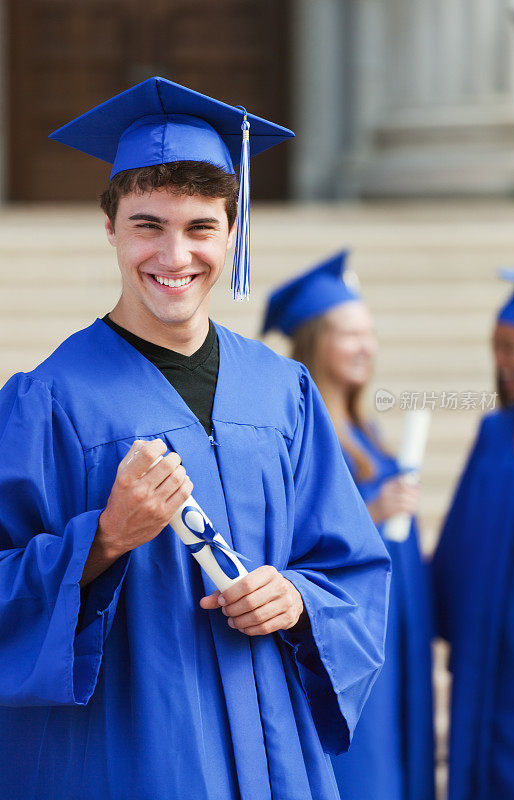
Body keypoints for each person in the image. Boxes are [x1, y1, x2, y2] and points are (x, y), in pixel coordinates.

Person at [0, 78, 391, 800]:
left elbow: (352, 567)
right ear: (111, 228)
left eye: (200, 228)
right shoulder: (46, 402)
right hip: (126, 755)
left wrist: (298, 598)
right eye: (147, 224)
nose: (174, 255)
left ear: (232, 231)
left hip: (274, 751)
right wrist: (102, 540)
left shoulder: (283, 391)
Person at [262, 251, 435, 800]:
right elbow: (289, 532)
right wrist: (374, 510)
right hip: (343, 633)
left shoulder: (367, 432)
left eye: (371, 334)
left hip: (391, 623)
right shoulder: (295, 434)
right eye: (350, 334)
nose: (367, 347)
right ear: (316, 341)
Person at [433, 268, 514, 800]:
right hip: (483, 646)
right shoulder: (495, 432)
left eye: (512, 348)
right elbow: (460, 538)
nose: (502, 362)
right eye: (496, 348)